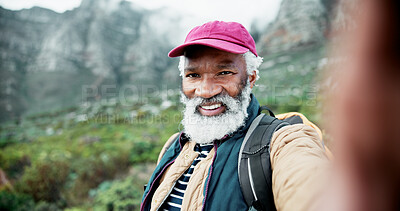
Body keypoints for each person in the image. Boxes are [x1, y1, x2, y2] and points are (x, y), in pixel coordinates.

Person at [140, 20, 329, 211]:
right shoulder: (174, 146)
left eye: (223, 72)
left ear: (251, 78)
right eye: (193, 75)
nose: (205, 91)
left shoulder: (282, 142)